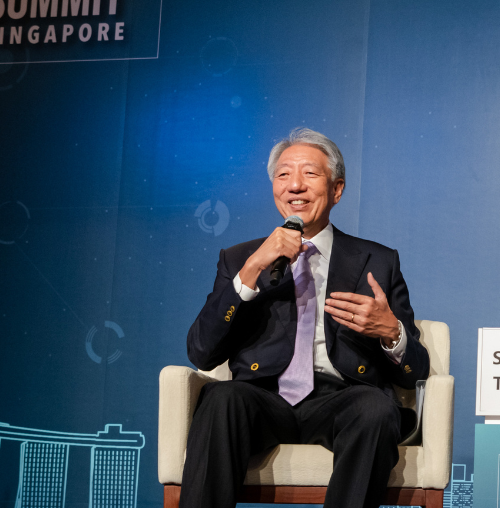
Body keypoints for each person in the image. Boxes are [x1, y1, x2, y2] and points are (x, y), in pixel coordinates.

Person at [181, 128, 429, 508]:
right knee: (221, 399)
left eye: (309, 174)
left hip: (341, 399)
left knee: (375, 409)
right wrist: (250, 272)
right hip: (261, 400)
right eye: (283, 175)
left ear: (337, 189)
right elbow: (201, 353)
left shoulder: (377, 261)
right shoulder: (240, 258)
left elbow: (414, 372)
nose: (295, 185)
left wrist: (391, 333)